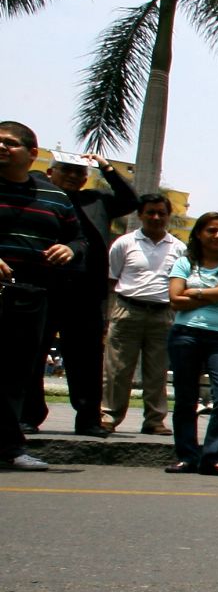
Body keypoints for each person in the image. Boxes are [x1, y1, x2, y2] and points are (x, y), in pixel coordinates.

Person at [23, 154, 140, 437]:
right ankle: (29, 415)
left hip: (85, 292)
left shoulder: (96, 200)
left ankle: (88, 419)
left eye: (80, 172)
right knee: (34, 354)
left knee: (86, 359)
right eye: (67, 171)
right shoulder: (38, 195)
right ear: (51, 172)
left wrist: (107, 169)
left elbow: (130, 201)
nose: (74, 176)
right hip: (45, 288)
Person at [0, 121, 84, 470]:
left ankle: (8, 447)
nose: (2, 148)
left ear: (32, 153)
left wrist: (69, 249)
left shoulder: (54, 197)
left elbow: (79, 240)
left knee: (17, 373)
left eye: (9, 143)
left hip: (31, 294)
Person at [166, 211, 218, 476]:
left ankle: (212, 457)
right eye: (211, 231)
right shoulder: (184, 263)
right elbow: (174, 299)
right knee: (186, 398)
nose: (217, 236)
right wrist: (216, 293)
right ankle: (187, 456)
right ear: (199, 234)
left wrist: (195, 292)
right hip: (185, 334)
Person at [101, 192, 184, 434]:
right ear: (140, 215)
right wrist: (108, 316)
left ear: (169, 216)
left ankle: (154, 420)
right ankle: (108, 415)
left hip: (162, 314)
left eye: (162, 213)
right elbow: (111, 280)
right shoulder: (124, 243)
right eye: (151, 212)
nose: (156, 217)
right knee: (117, 370)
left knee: (157, 371)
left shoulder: (179, 248)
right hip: (128, 310)